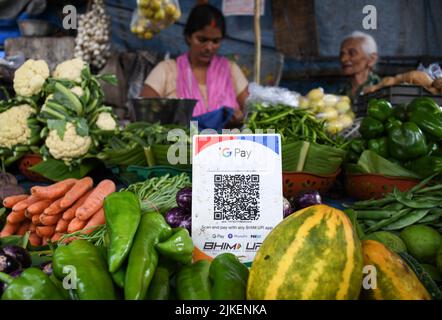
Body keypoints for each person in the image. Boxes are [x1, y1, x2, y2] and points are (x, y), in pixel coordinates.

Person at [141, 4, 249, 130]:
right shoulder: (166, 70)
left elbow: (251, 110)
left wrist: (238, 118)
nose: (209, 47)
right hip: (179, 147)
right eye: (202, 39)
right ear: (188, 37)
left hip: (226, 148)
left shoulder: (230, 69)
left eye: (215, 41)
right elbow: (144, 115)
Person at [338, 31, 381, 102]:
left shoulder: (382, 89)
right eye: (342, 54)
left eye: (352, 53)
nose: (343, 59)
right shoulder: (339, 93)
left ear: (371, 59)